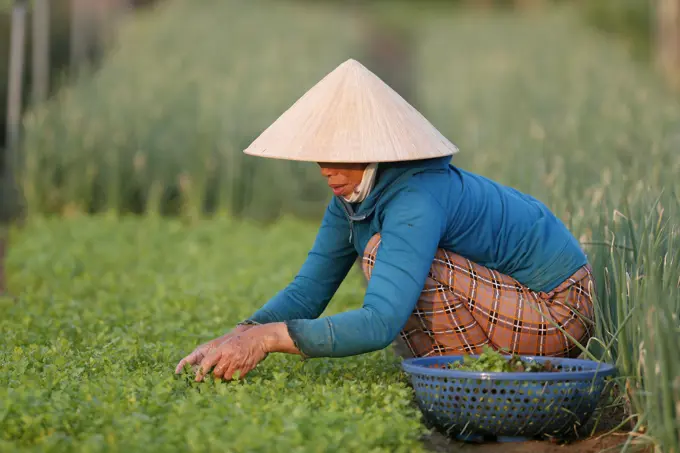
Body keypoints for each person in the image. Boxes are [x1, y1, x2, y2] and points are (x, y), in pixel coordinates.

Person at [175, 59, 595, 382]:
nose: (327, 170)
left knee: (380, 255)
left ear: (375, 150)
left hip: (559, 311)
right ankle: (456, 380)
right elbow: (308, 291)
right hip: (509, 300)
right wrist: (240, 332)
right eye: (322, 155)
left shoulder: (417, 195)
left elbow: (380, 322)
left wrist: (267, 340)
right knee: (385, 256)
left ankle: (466, 383)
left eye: (341, 154)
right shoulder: (353, 197)